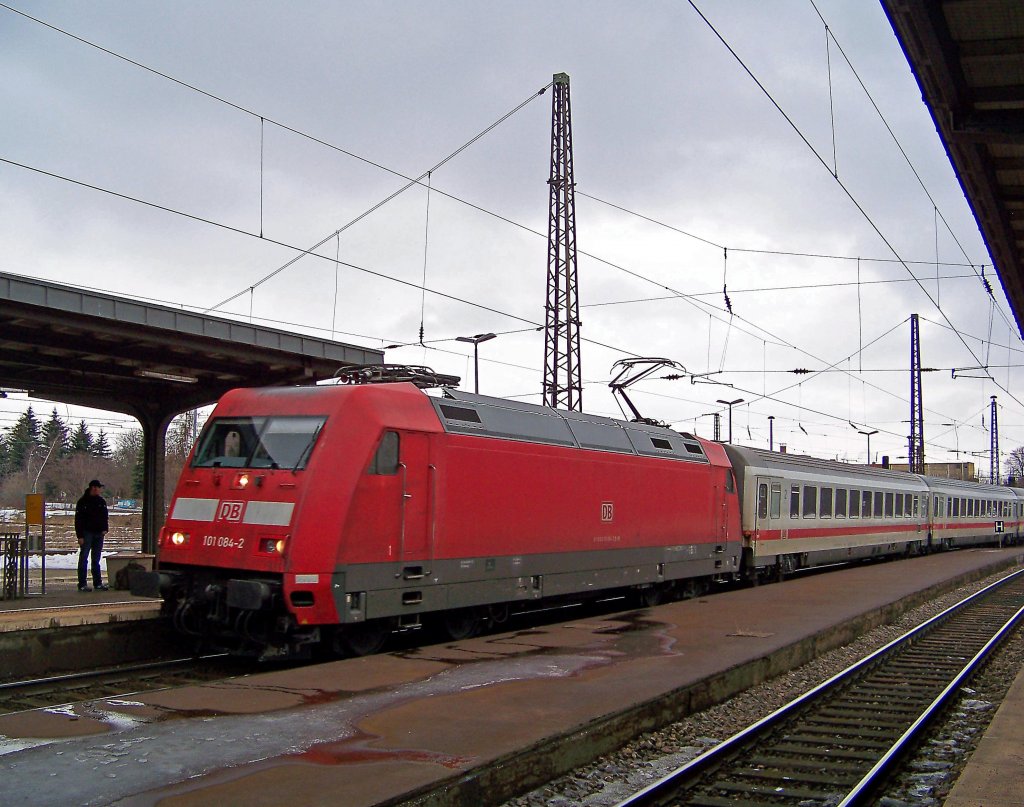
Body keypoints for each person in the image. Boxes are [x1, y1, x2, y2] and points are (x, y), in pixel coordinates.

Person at [75, 479, 109, 592]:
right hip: (86, 533)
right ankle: (82, 583)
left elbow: (105, 517)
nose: (98, 490)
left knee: (96, 559)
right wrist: (80, 536)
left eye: (99, 488)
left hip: (99, 533)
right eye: (97, 487)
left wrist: (105, 529)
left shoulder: (101, 501)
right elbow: (78, 520)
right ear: (92, 488)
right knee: (84, 558)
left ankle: (97, 583)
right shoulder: (83, 502)